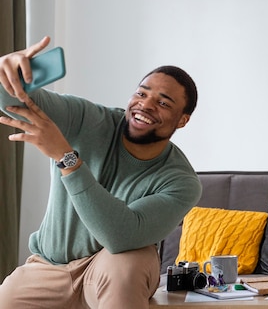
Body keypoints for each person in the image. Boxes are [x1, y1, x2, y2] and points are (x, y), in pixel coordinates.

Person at [0, 36, 202, 308]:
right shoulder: (88, 119)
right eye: (142, 93)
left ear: (182, 120)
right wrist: (5, 74)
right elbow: (18, 104)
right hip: (49, 267)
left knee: (127, 262)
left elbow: (121, 236)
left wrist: (66, 158)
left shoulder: (181, 182)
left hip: (115, 266)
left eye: (163, 103)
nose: (146, 105)